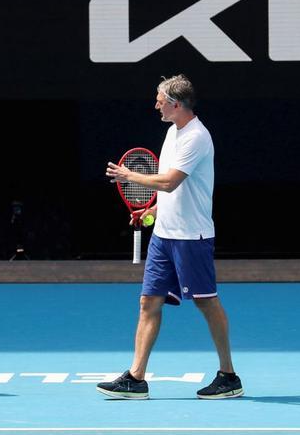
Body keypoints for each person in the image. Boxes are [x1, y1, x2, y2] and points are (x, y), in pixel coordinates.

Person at [99, 74, 243, 400]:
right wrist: (150, 215)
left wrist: (127, 175)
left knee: (206, 302)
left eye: (159, 99)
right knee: (148, 302)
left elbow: (169, 183)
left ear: (175, 104)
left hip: (191, 237)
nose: (156, 104)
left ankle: (228, 375)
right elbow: (168, 192)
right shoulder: (172, 132)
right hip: (164, 235)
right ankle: (135, 378)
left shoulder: (196, 138)